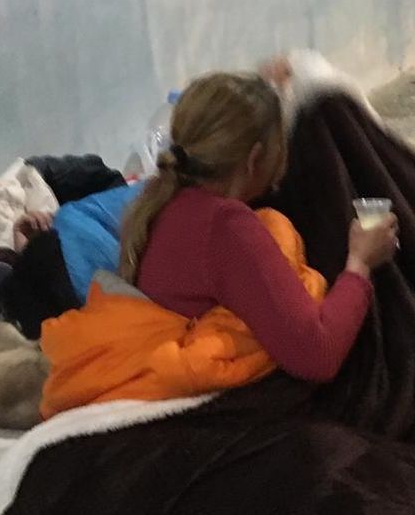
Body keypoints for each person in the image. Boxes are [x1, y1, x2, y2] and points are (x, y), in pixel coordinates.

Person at [119, 71, 400, 382]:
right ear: (255, 159)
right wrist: (360, 263)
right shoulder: (226, 226)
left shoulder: (162, 200)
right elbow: (318, 355)